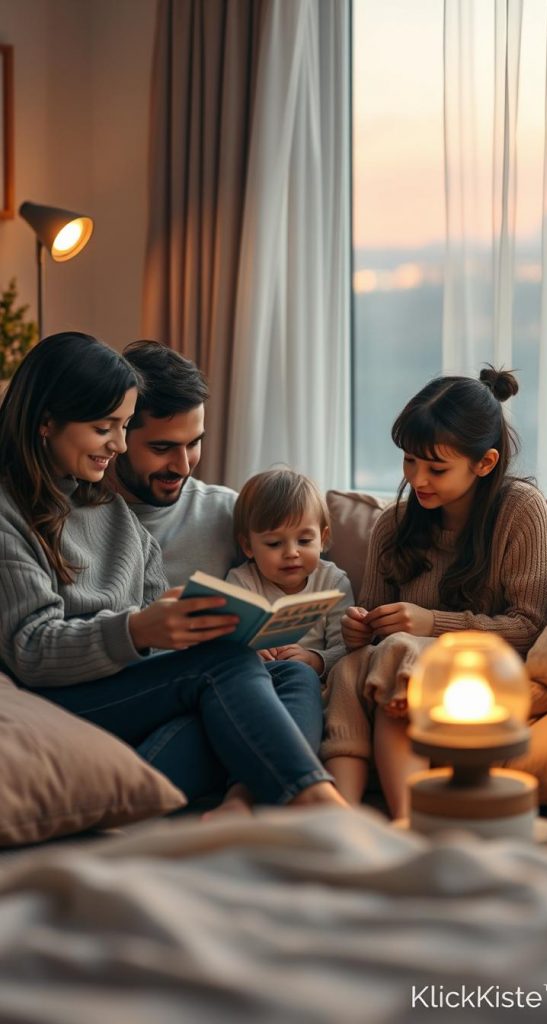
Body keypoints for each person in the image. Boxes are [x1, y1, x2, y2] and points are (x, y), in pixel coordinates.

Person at [0, 332, 345, 814]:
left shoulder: (112, 512)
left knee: (288, 676)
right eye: (107, 428)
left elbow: (152, 635)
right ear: (46, 423)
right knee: (224, 666)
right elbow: (30, 649)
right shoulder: (9, 512)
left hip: (126, 690)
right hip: (57, 699)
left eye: (122, 427)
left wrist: (182, 626)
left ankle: (230, 804)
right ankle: (321, 805)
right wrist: (140, 628)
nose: (117, 445)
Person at [321, 367, 547, 818]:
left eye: (436, 468)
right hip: (392, 668)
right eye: (410, 460)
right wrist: (358, 629)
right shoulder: (392, 525)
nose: (418, 479)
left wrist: (433, 625)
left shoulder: (520, 512)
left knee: (397, 650)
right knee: (353, 666)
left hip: (479, 673)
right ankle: (340, 815)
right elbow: (371, 631)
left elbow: (532, 626)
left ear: (484, 463)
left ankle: (410, 821)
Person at [112, 340, 331, 814]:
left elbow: (283, 580)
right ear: (117, 435)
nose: (184, 465)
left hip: (221, 700)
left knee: (292, 674)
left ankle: (242, 802)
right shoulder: (90, 521)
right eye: (162, 447)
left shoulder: (227, 513)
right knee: (224, 679)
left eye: (195, 443)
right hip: (143, 695)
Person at [227, 468, 354, 678]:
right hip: (254, 679)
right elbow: (223, 647)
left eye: (304, 541)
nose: (291, 553)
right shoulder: (241, 582)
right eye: (274, 543)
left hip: (307, 678)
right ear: (248, 546)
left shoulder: (333, 582)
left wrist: (315, 660)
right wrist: (248, 654)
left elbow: (346, 647)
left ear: (322, 539)